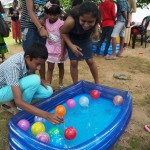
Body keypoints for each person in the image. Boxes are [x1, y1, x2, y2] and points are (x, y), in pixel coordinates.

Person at [0, 42, 64, 125]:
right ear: (27, 58)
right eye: (37, 64)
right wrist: (47, 115)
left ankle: (14, 103)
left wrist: (41, 81)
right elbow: (19, 100)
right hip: (2, 91)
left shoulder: (28, 57)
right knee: (35, 79)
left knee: (48, 91)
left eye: (41, 64)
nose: (39, 68)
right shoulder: (13, 66)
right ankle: (20, 111)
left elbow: (25, 76)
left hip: (11, 87)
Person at [61, 2, 100, 84]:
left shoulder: (96, 19)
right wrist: (71, 46)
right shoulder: (70, 21)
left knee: (90, 60)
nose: (86, 25)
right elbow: (63, 33)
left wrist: (96, 31)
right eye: (83, 20)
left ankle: (97, 82)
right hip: (72, 39)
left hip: (85, 39)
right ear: (79, 17)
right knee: (74, 62)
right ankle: (75, 84)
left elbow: (96, 23)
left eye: (90, 22)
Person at [21, 0, 49, 79]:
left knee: (41, 55)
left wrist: (43, 20)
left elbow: (48, 8)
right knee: (31, 57)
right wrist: (40, 28)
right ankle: (31, 82)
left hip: (41, 26)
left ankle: (43, 81)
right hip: (29, 27)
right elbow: (30, 10)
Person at [44, 0, 68, 88]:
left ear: (58, 14)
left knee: (61, 66)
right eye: (50, 14)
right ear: (47, 13)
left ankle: (60, 83)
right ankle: (48, 84)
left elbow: (63, 38)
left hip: (59, 50)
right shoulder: (45, 21)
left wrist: (62, 52)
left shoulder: (61, 23)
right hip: (49, 49)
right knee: (50, 68)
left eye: (55, 15)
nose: (52, 17)